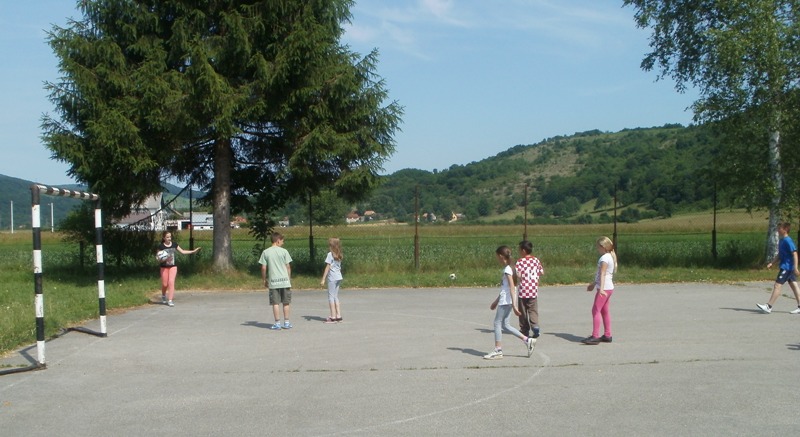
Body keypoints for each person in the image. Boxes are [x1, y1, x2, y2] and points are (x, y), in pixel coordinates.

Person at [484, 245, 536, 360]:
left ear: (501, 256)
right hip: (504, 300)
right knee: (505, 325)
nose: (497, 259)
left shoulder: (508, 269)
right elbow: (505, 288)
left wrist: (514, 304)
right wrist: (496, 301)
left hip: (506, 301)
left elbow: (512, 287)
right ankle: (528, 340)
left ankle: (498, 350)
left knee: (497, 323)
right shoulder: (513, 267)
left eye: (497, 257)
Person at [757, 222, 800, 314]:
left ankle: (768, 306)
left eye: (779, 228)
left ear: (785, 230)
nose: (778, 230)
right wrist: (772, 263)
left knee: (777, 285)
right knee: (794, 286)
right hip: (785, 266)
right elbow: (780, 254)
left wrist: (795, 268)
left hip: (787, 267)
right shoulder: (781, 240)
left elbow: (795, 254)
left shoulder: (788, 241)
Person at [582, 236, 617, 345]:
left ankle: (595, 336)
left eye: (598, 247)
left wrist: (601, 289)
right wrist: (593, 284)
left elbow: (602, 274)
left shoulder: (604, 258)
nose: (597, 249)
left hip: (604, 288)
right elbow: (600, 274)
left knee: (595, 310)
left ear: (603, 247)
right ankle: (607, 335)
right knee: (604, 311)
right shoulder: (609, 256)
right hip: (609, 287)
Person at [258, 232, 294, 330]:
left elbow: (264, 268)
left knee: (275, 303)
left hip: (273, 282)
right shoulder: (284, 251)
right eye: (282, 241)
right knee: (286, 302)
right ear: (278, 240)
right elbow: (288, 267)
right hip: (285, 281)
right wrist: (288, 278)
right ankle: (286, 322)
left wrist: (264, 279)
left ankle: (277, 323)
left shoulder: (266, 252)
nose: (283, 242)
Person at [156, 231, 201, 307]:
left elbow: (183, 251)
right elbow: (158, 258)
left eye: (170, 237)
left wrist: (193, 251)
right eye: (167, 237)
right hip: (164, 267)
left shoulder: (174, 245)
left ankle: (170, 300)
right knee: (165, 284)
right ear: (164, 238)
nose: (169, 238)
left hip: (173, 267)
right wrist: (164, 259)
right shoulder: (161, 247)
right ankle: (163, 295)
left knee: (171, 282)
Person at [516, 240, 544, 346]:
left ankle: (524, 329)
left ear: (523, 250)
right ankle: (535, 326)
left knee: (523, 312)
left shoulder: (520, 261)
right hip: (533, 290)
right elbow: (542, 272)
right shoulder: (536, 260)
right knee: (533, 310)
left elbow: (518, 275)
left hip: (523, 290)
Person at [320, 237, 344, 323]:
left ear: (331, 245)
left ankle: (333, 316)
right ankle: (338, 315)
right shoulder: (339, 254)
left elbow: (328, 267)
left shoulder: (330, 254)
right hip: (338, 276)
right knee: (335, 296)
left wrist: (323, 279)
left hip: (332, 277)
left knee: (331, 297)